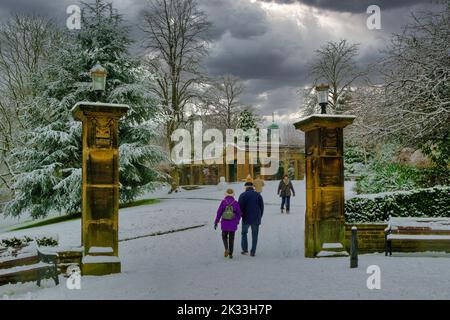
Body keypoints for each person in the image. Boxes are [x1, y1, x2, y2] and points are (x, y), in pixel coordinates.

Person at [238, 180, 264, 257]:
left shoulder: (242, 195)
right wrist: (260, 216)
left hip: (246, 218)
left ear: (246, 187)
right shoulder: (258, 195)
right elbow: (261, 207)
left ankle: (245, 250)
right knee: (255, 235)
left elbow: (240, 208)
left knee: (244, 233)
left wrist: (239, 217)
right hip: (256, 218)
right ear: (252, 187)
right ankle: (253, 252)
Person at [214, 188, 242, 259]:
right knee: (231, 239)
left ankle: (226, 248)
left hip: (224, 223)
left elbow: (219, 213)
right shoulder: (235, 203)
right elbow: (239, 214)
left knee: (224, 236)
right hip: (233, 223)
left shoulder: (223, 202)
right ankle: (230, 254)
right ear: (233, 194)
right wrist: (237, 221)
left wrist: (216, 222)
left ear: (226, 194)